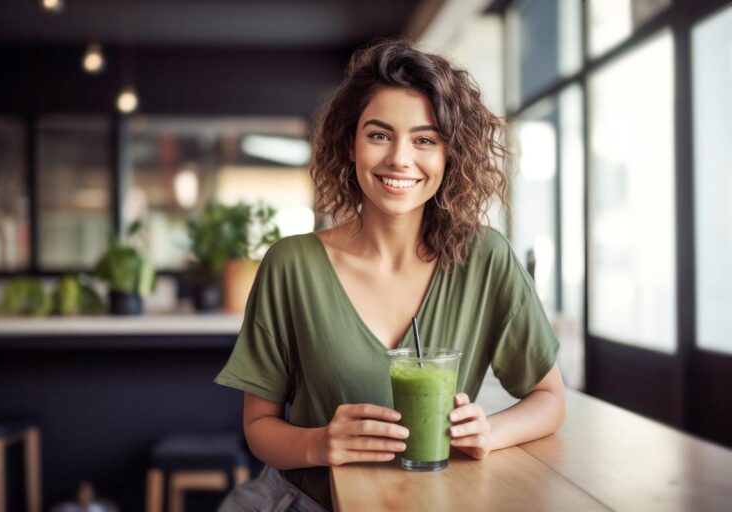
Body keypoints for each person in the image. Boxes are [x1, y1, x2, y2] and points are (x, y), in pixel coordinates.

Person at [215, 39, 565, 512]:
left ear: (449, 155)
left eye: (425, 139)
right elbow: (259, 428)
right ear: (350, 144)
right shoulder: (291, 264)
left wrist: (490, 431)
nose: (400, 158)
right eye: (379, 135)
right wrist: (321, 444)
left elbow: (549, 398)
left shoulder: (485, 258)